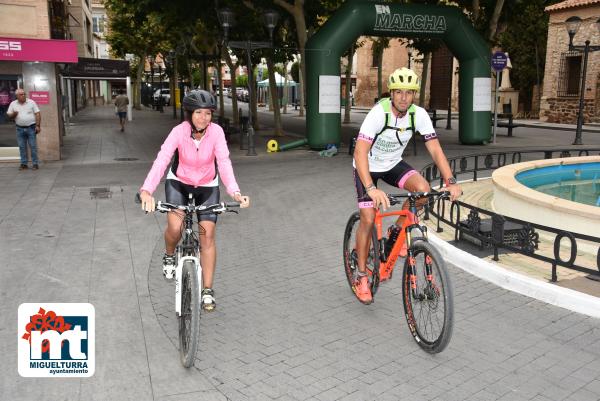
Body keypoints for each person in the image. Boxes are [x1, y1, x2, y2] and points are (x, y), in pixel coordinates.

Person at [352, 67, 461, 304]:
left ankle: (396, 230)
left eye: (409, 92)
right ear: (391, 93)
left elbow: (435, 149)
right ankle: (361, 275)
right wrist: (371, 188)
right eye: (399, 92)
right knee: (369, 218)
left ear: (414, 95)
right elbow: (360, 152)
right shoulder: (378, 114)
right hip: (366, 166)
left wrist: (450, 181)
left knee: (422, 192)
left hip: (392, 165)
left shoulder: (418, 114)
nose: (403, 97)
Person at [139, 89, 250, 312]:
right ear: (189, 113)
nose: (203, 117)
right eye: (198, 112)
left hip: (208, 186)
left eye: (208, 113)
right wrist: (146, 191)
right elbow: (162, 159)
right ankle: (169, 254)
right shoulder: (178, 132)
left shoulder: (217, 132)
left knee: (207, 235)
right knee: (175, 226)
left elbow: (224, 162)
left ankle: (207, 290)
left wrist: (235, 192)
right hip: (179, 183)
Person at [6, 89, 41, 170]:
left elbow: (37, 113)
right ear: (17, 96)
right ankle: (24, 164)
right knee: (22, 147)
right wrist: (14, 114)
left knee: (33, 146)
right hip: (19, 129)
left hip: (31, 128)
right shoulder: (13, 104)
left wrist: (38, 125)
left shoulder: (31, 102)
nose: (23, 95)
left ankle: (35, 163)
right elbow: (9, 116)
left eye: (24, 94)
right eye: (21, 94)